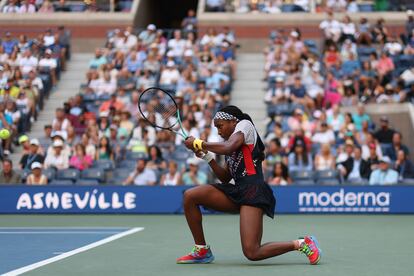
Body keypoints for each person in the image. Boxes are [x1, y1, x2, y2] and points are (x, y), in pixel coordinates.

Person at [179, 106, 321, 264]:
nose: (219, 132)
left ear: (233, 121)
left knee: (252, 252)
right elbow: (225, 178)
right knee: (190, 196)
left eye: (220, 126)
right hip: (237, 190)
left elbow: (228, 147)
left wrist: (199, 143)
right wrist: (207, 158)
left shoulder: (244, 125)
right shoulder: (230, 144)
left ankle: (302, 243)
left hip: (253, 191)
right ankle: (202, 250)